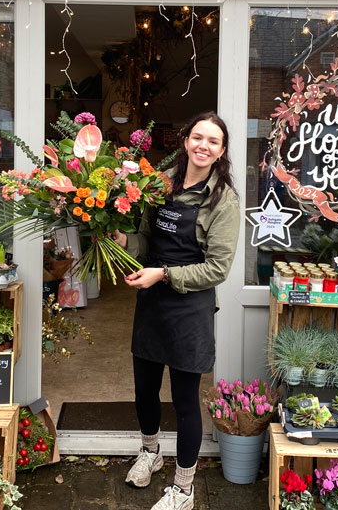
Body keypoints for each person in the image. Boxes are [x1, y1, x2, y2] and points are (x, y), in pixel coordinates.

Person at [113, 112, 240, 510]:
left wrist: (164, 274)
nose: (203, 145)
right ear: (186, 140)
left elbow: (217, 268)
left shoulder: (223, 200)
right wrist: (122, 239)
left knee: (185, 401)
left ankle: (184, 489)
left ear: (221, 151)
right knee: (145, 390)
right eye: (198, 137)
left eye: (213, 141)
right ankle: (150, 452)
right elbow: (145, 239)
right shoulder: (161, 183)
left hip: (190, 310)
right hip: (153, 303)